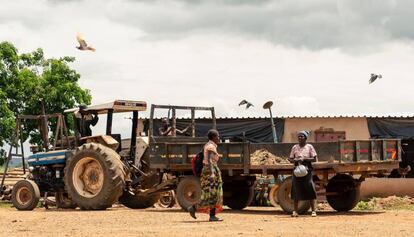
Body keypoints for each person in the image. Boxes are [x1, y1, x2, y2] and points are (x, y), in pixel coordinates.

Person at [188, 129, 223, 222]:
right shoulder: (211, 146)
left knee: (211, 194)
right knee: (212, 194)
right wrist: (212, 173)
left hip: (209, 170)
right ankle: (209, 214)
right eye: (217, 136)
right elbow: (210, 160)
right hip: (209, 171)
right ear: (213, 137)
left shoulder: (209, 145)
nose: (219, 138)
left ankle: (198, 210)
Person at [289, 130, 318, 217]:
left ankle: (313, 211)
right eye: (299, 136)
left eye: (302, 136)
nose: (300, 138)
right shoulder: (294, 147)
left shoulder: (309, 147)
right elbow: (290, 158)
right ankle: (295, 211)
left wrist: (304, 159)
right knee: (295, 189)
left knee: (310, 188)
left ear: (305, 138)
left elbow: (314, 159)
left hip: (307, 170)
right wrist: (295, 160)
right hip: (297, 170)